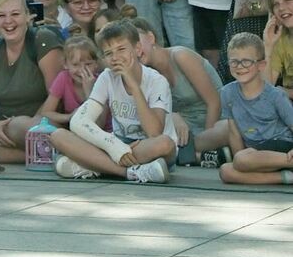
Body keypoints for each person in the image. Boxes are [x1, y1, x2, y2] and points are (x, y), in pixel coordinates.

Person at [49, 19, 175, 183]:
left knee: (165, 144)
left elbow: (154, 132)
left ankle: (95, 166)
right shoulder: (106, 77)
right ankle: (132, 173)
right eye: (108, 53)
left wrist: (134, 87)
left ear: (137, 49)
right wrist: (114, 146)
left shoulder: (157, 81)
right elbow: (79, 121)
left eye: (121, 49)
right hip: (117, 144)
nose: (115, 57)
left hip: (147, 147)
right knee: (58, 136)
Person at [0, 0, 64, 163]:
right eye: (1, 15)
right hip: (2, 126)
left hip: (44, 123)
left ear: (28, 16)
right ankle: (36, 155)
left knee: (22, 126)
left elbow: (56, 98)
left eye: (15, 14)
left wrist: (18, 126)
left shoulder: (43, 40)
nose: (8, 21)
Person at [128, 14, 229, 164]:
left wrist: (208, 138)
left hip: (213, 122)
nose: (136, 51)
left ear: (151, 37)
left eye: (137, 43)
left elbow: (214, 102)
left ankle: (198, 154)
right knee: (152, 137)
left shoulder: (181, 56)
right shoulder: (146, 75)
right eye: (130, 48)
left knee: (227, 128)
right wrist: (172, 116)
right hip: (181, 132)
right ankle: (198, 157)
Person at [217, 32, 293, 185]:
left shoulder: (275, 95)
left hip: (280, 145)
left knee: (241, 160)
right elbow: (233, 131)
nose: (240, 67)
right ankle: (285, 177)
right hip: (255, 155)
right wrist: (242, 163)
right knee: (226, 171)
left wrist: (242, 160)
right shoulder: (227, 93)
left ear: (261, 65)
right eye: (234, 62)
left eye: (246, 61)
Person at [38, 35, 105, 128]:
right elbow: (46, 112)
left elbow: (98, 124)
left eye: (88, 64)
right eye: (75, 65)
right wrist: (69, 117)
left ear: (96, 64)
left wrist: (89, 91)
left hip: (100, 132)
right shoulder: (64, 78)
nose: (82, 70)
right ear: (66, 64)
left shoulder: (103, 82)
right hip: (74, 129)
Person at [264, 0, 293, 101]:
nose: (281, 8)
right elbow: (266, 87)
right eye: (276, 4)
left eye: (287, 1)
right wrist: (268, 46)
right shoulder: (280, 40)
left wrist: (285, 92)